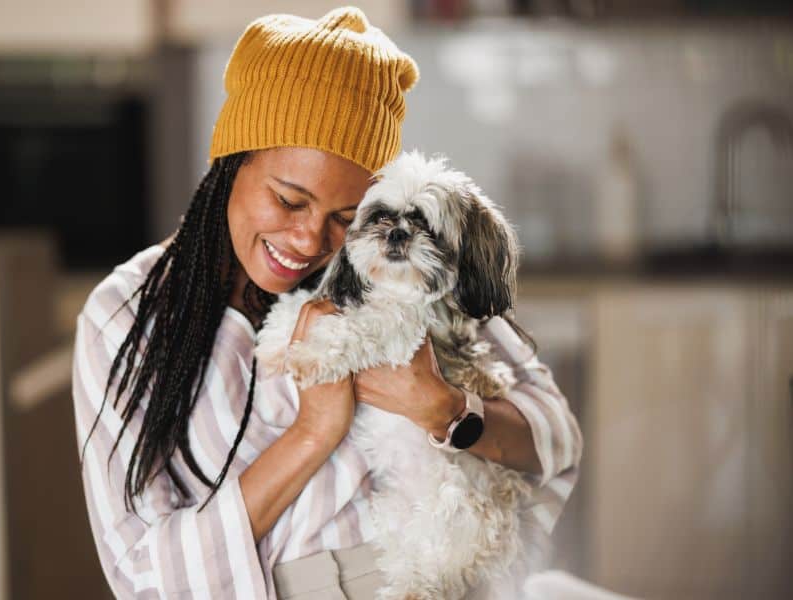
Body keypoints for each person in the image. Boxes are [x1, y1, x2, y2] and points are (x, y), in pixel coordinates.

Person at [71, 6, 583, 599]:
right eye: (290, 201)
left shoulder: (394, 266)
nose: (310, 241)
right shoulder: (126, 317)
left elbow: (555, 436)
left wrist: (446, 409)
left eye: (345, 216)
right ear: (231, 162)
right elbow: (143, 574)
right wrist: (314, 431)